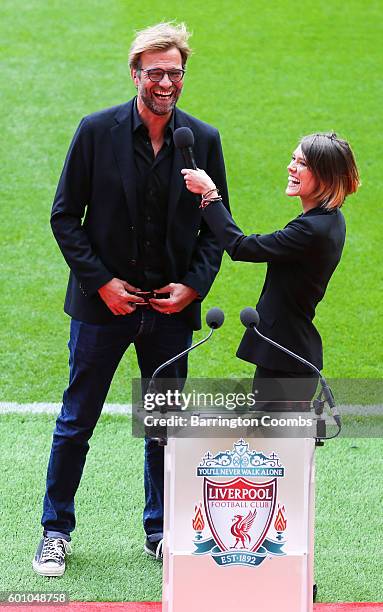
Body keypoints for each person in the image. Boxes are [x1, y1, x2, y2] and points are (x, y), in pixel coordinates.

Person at [32, 22, 229, 577]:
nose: (166, 82)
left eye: (175, 73)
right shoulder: (96, 132)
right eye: (156, 72)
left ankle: (161, 531)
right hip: (104, 309)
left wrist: (194, 284)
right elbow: (64, 215)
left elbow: (216, 226)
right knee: (77, 421)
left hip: (169, 312)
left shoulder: (203, 140)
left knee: (164, 425)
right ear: (135, 72)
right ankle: (55, 531)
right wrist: (102, 284)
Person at [182, 133, 360, 408]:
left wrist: (209, 195)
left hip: (286, 360)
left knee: (272, 447)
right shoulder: (329, 219)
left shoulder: (311, 230)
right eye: (293, 159)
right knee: (272, 446)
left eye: (302, 163)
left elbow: (240, 247)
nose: (291, 167)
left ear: (325, 176)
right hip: (289, 355)